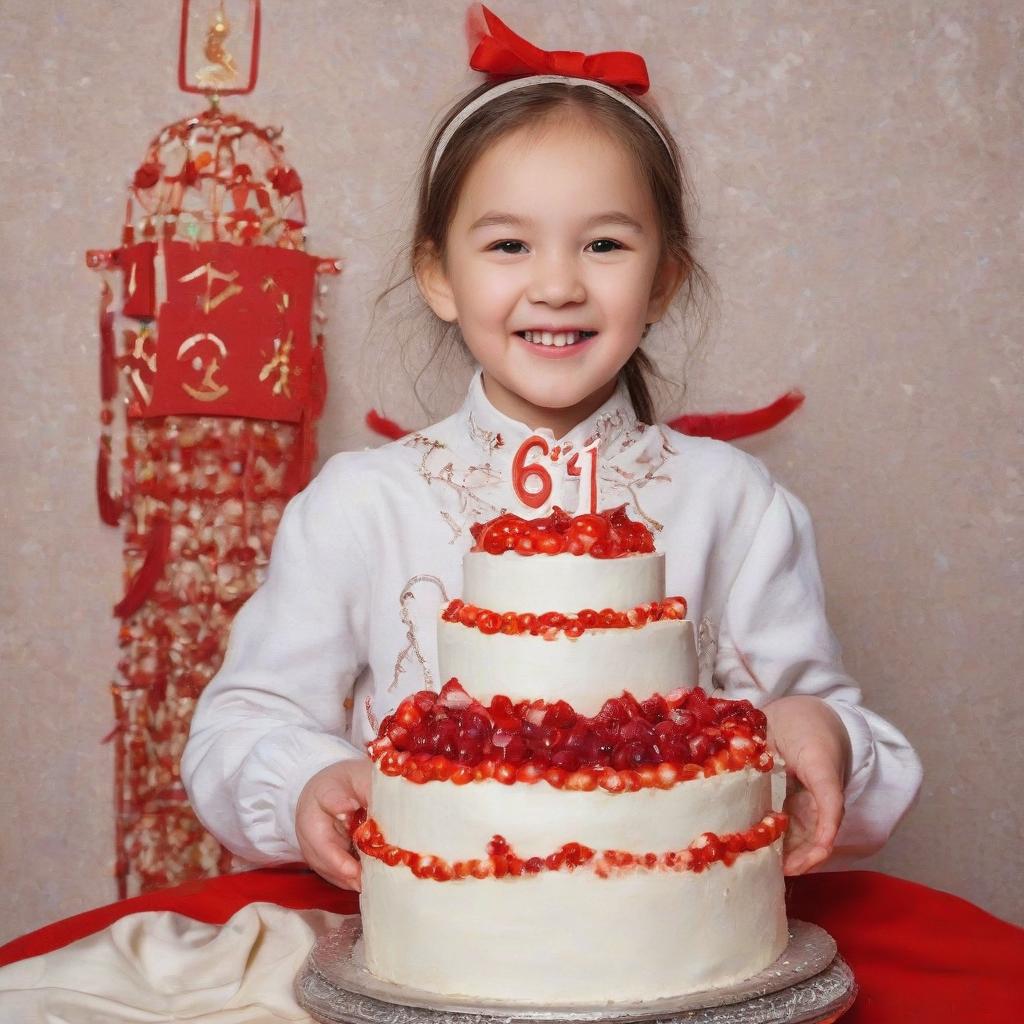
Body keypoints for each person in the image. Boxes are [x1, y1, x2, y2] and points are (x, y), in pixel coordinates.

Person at [182, 4, 921, 895]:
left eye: (605, 244)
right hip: (422, 940)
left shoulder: (731, 501)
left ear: (664, 281)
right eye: (508, 244)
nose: (560, 283)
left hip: (668, 942)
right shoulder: (361, 505)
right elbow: (240, 726)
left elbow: (823, 721)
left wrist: (823, 731)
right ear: (438, 276)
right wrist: (305, 778)